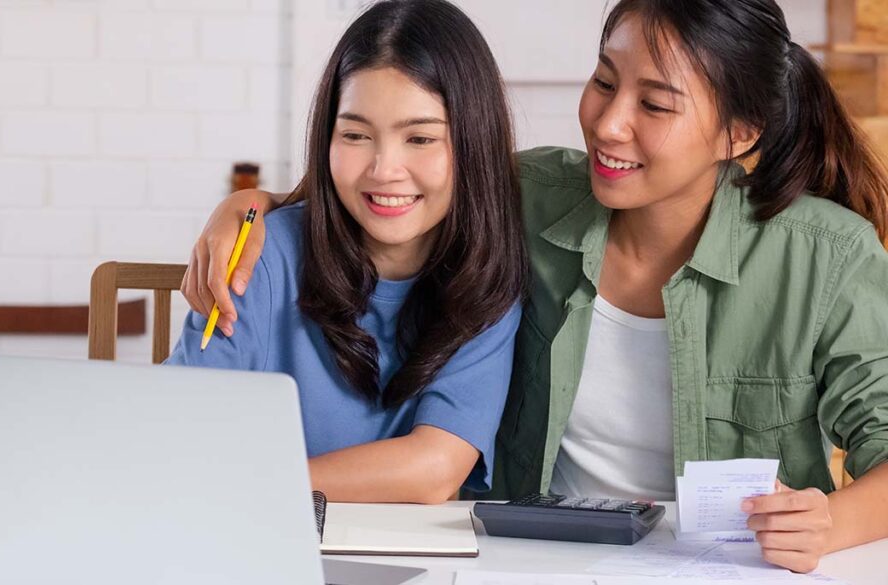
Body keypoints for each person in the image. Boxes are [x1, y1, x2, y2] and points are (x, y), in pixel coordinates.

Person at [181, 0, 888, 573]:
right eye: (605, 81)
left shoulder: (825, 255)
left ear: (740, 132)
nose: (608, 124)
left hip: (729, 567)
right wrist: (254, 205)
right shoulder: (531, 198)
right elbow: (395, 174)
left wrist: (830, 523)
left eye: (655, 104)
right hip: (532, 558)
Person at [165, 0, 526, 505]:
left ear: (474, 144)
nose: (384, 169)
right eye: (355, 135)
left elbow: (435, 468)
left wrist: (251, 480)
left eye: (420, 138)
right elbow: (176, 430)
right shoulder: (261, 259)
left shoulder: (485, 281)